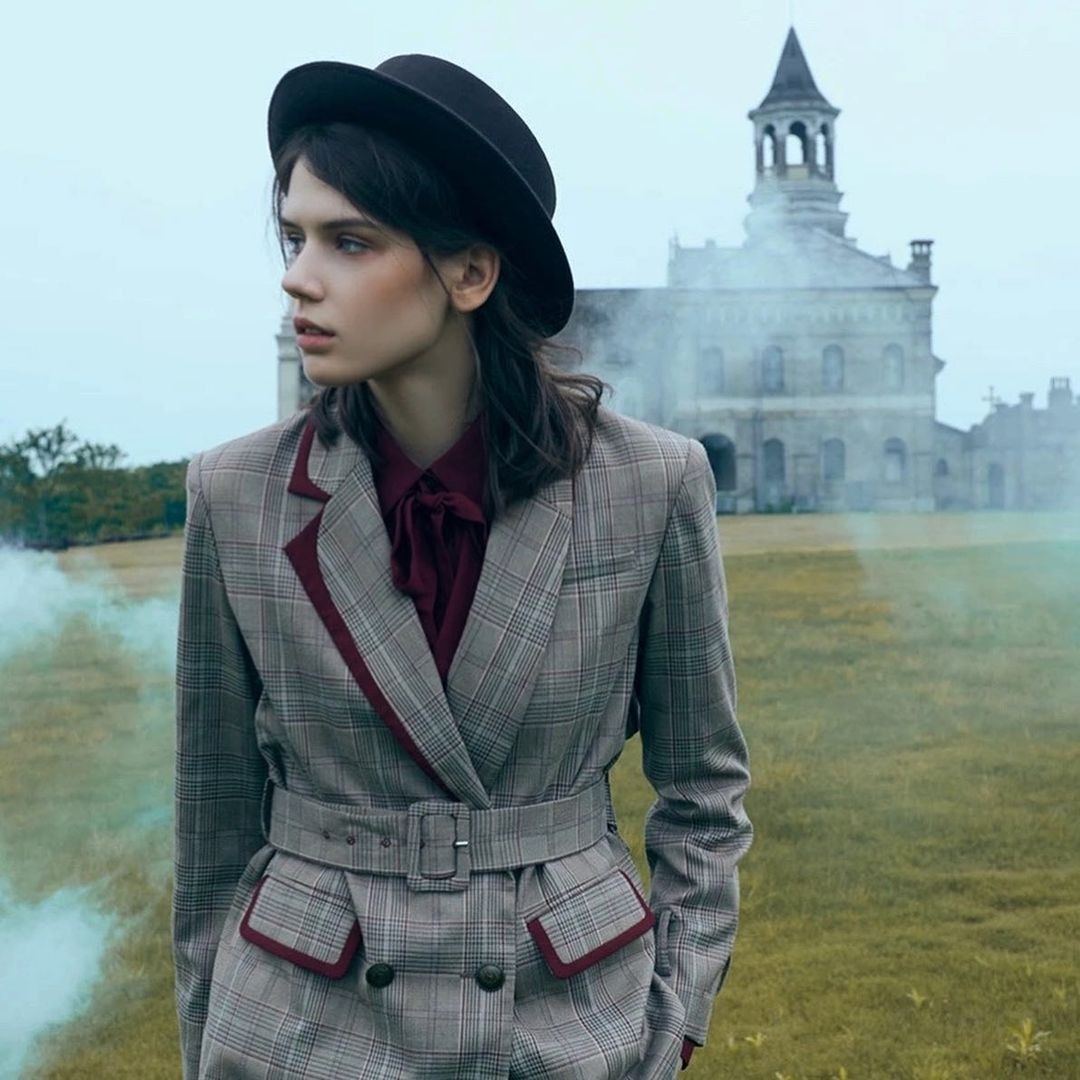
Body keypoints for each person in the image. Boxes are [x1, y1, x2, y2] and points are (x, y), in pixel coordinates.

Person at [171, 53, 752, 1080]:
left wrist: (678, 1013)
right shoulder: (235, 492)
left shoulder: (649, 483)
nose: (298, 276)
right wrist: (214, 1023)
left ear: (470, 274)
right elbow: (213, 815)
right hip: (299, 1028)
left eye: (350, 241)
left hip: (571, 1024)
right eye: (296, 237)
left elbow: (703, 789)